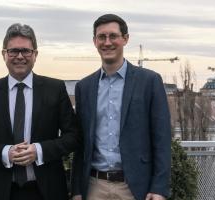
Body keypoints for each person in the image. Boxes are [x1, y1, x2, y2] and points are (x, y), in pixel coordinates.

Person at [0, 23, 80, 200]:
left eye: (26, 51)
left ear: (35, 54)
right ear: (4, 54)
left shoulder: (55, 89)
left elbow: (73, 136)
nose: (19, 56)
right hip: (3, 192)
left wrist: (39, 151)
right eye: (13, 51)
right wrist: (6, 153)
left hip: (48, 191)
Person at [71, 14, 171, 200]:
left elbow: (162, 138)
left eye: (113, 36)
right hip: (94, 187)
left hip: (134, 188)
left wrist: (159, 188)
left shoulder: (149, 81)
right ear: (94, 41)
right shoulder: (84, 87)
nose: (107, 42)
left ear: (125, 39)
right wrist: (77, 190)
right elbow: (81, 144)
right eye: (101, 37)